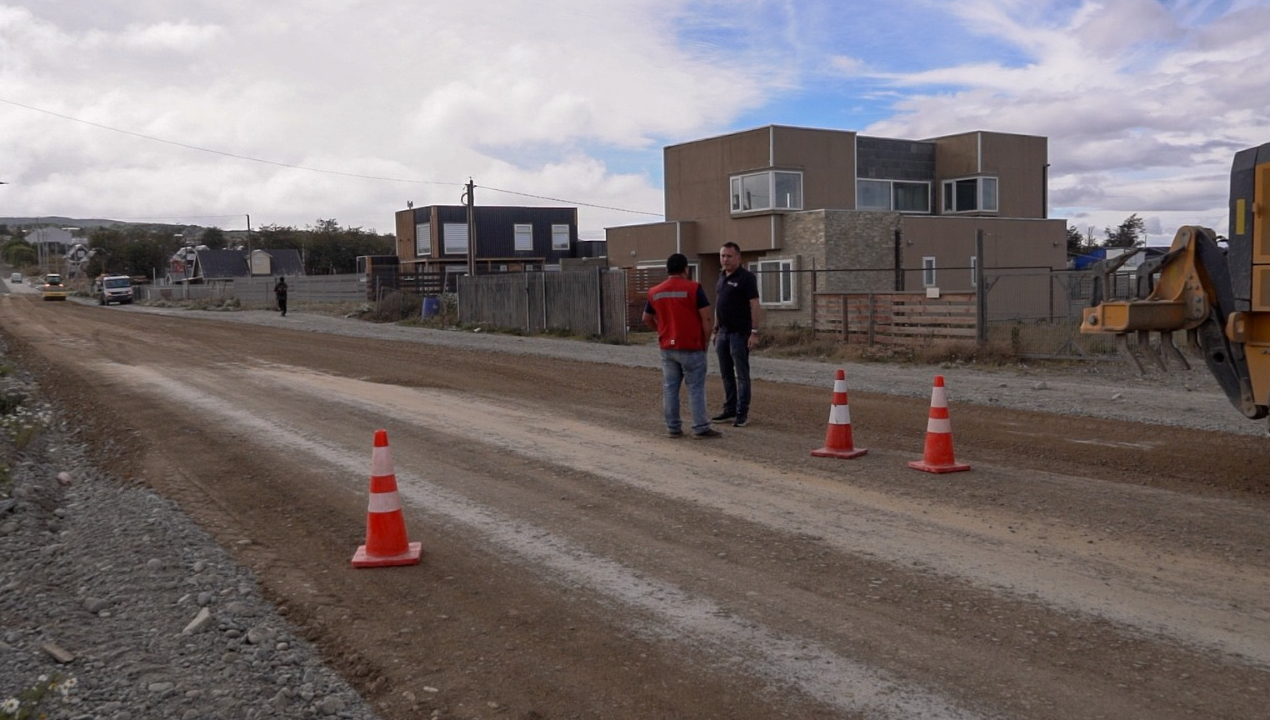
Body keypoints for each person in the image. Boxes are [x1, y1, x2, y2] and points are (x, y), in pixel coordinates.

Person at [642, 253, 721, 439]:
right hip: (691, 346)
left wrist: (661, 331)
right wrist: (705, 342)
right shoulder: (694, 289)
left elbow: (646, 318)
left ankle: (673, 427)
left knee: (670, 388)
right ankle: (700, 426)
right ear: (685, 269)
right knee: (695, 388)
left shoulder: (655, 291)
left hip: (667, 347)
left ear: (667, 270)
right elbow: (706, 319)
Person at [712, 241, 761, 427]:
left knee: (741, 374)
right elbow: (718, 303)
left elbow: (754, 304)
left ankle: (742, 413)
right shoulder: (721, 276)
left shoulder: (746, 278)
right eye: (722, 256)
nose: (725, 259)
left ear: (738, 258)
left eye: (729, 256)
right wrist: (715, 329)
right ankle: (729, 409)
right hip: (723, 333)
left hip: (740, 334)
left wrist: (754, 332)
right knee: (726, 374)